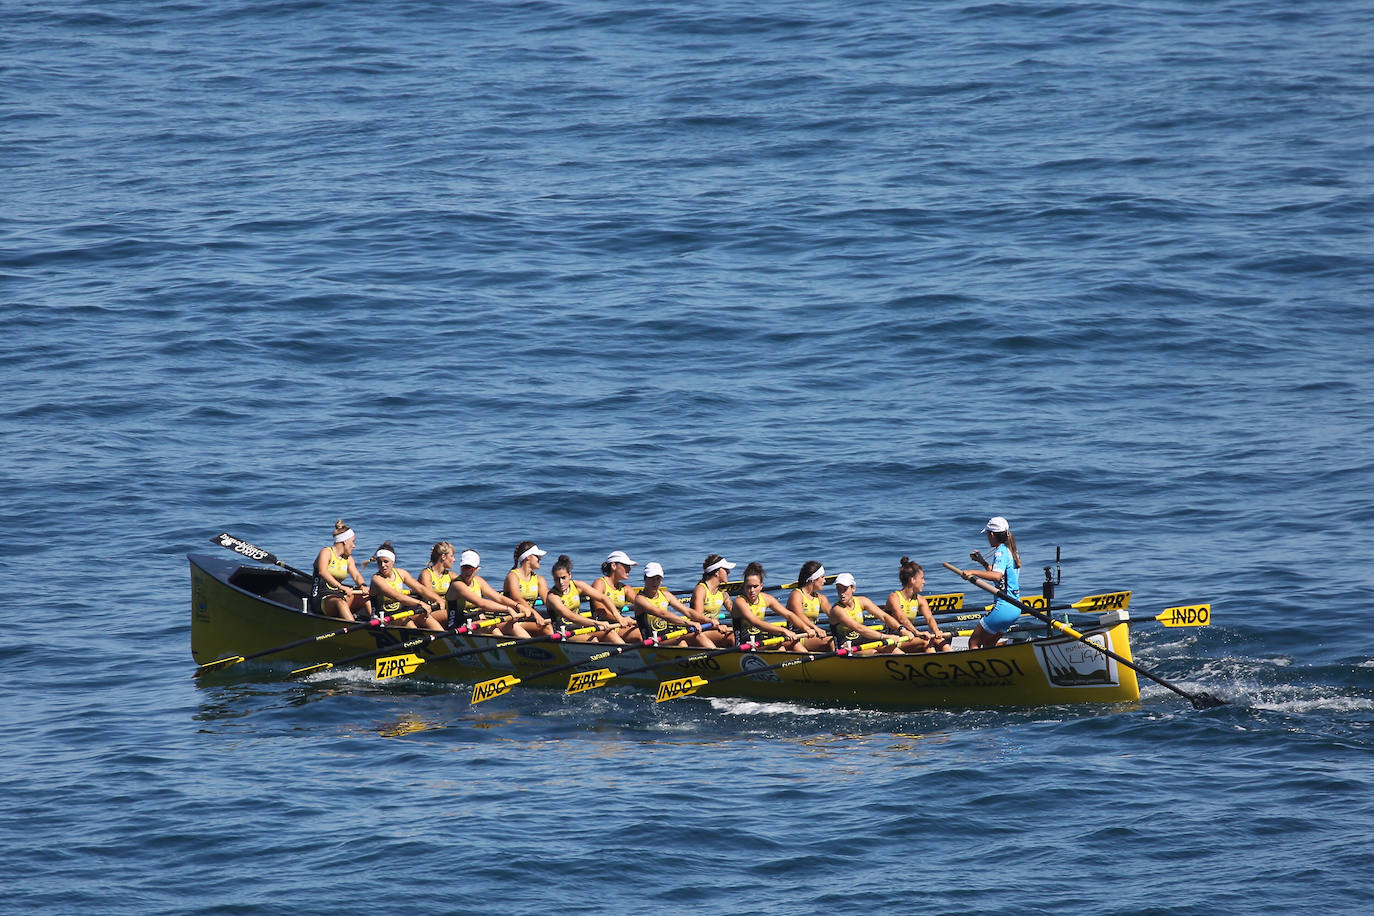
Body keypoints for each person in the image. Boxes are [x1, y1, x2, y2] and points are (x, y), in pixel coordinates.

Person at [446, 549, 542, 638]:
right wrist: (508, 609)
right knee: (490, 626)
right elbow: (481, 603)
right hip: (458, 626)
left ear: (477, 569)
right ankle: (504, 648)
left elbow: (498, 598)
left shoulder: (479, 581)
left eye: (470, 568)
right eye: (464, 567)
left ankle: (529, 646)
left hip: (476, 622)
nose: (467, 571)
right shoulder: (457, 585)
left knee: (512, 625)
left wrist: (518, 606)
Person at [959, 516, 1022, 649]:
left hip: (1004, 607)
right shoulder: (1011, 550)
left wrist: (972, 572)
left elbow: (996, 576)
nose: (987, 538)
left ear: (992, 534)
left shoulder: (1000, 552)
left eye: (987, 534)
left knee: (973, 642)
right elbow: (999, 575)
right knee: (989, 644)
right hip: (1015, 607)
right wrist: (982, 562)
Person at [544, 554, 625, 644]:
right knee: (593, 640)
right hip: (563, 633)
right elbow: (570, 616)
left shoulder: (577, 586)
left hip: (580, 628)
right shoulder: (553, 596)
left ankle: (626, 651)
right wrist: (597, 623)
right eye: (557, 579)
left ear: (570, 575)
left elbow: (603, 598)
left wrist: (618, 617)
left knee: (610, 633)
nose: (561, 582)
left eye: (563, 578)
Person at [730, 562, 811, 651]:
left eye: (755, 586)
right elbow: (756, 623)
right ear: (744, 587)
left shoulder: (766, 598)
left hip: (760, 639)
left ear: (761, 586)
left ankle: (808, 658)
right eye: (748, 587)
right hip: (744, 644)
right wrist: (784, 630)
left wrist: (806, 628)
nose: (752, 590)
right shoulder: (740, 602)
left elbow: (788, 615)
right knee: (779, 647)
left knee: (794, 642)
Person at [630, 562, 714, 648]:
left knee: (698, 635)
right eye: (651, 578)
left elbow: (687, 611)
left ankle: (716, 653)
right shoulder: (640, 599)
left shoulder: (666, 595)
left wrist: (708, 620)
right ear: (645, 579)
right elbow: (662, 614)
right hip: (652, 640)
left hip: (668, 636)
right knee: (681, 642)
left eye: (658, 578)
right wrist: (689, 623)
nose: (655, 582)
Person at [827, 573, 912, 654]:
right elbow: (858, 628)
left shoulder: (862, 601)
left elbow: (884, 616)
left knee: (891, 648)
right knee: (873, 653)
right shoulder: (837, 610)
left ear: (853, 588)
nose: (841, 593)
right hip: (845, 646)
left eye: (845, 589)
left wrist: (901, 629)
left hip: (861, 639)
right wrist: (885, 636)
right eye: (839, 589)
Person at [367, 541, 443, 630]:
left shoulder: (401, 573)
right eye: (379, 562)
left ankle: (443, 635)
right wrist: (421, 603)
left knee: (424, 616)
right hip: (381, 618)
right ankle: (416, 635)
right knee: (405, 620)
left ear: (393, 561)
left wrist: (438, 599)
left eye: (386, 562)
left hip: (399, 613)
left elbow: (420, 588)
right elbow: (398, 596)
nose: (383, 565)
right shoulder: (377, 579)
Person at [885, 558, 951, 652]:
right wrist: (917, 632)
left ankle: (955, 656)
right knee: (926, 642)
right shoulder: (894, 597)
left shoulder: (920, 599)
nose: (924, 582)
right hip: (895, 639)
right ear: (912, 580)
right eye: (922, 578)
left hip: (911, 637)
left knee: (940, 640)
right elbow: (901, 618)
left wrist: (936, 630)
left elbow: (929, 618)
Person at [310, 520, 370, 620]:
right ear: (345, 541)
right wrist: (341, 587)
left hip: (338, 595)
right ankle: (352, 626)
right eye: (353, 542)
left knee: (365, 596)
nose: (354, 546)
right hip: (321, 599)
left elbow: (356, 576)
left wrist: (363, 586)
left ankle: (378, 623)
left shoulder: (348, 559)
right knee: (340, 603)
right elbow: (322, 572)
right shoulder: (326, 552)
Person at [591, 550, 643, 642]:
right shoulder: (600, 583)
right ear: (614, 566)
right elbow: (600, 610)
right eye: (626, 566)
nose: (629, 569)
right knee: (639, 634)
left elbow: (643, 604)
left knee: (645, 631)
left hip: (618, 625)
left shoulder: (625, 588)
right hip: (601, 626)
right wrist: (621, 619)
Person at [689, 555, 740, 648]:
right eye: (726, 569)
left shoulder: (722, 593)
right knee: (733, 637)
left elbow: (735, 612)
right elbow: (698, 618)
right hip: (700, 631)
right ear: (717, 572)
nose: (729, 572)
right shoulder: (701, 589)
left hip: (713, 629)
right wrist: (717, 627)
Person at [785, 561, 839, 649]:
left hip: (812, 635)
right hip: (796, 636)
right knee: (831, 641)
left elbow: (833, 614)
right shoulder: (796, 595)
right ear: (813, 579)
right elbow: (800, 616)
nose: (824, 581)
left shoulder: (821, 598)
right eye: (822, 577)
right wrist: (816, 628)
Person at [504, 541, 552, 626]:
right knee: (547, 627)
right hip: (513, 618)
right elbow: (517, 599)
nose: (540, 559)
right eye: (537, 556)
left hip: (529, 616)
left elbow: (548, 601)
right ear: (528, 557)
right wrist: (535, 614)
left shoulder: (539, 579)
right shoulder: (513, 576)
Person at [417, 541, 457, 630]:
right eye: (452, 556)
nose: (454, 560)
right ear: (443, 557)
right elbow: (429, 594)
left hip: (444, 610)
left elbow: (465, 588)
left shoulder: (451, 575)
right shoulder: (426, 574)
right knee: (451, 614)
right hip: (428, 612)